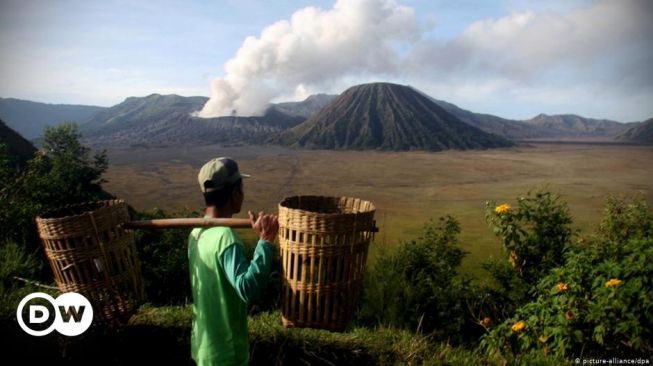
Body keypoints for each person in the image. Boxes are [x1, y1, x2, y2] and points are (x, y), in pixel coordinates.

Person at [188, 157, 278, 366]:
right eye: (242, 188)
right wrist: (265, 242)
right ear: (236, 193)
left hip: (202, 347)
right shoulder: (225, 238)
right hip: (226, 354)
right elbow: (247, 289)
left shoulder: (195, 232)